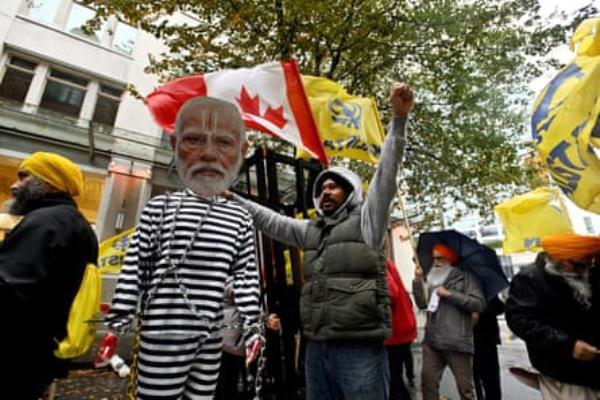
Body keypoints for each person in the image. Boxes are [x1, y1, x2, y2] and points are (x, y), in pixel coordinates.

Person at [229, 82, 414, 400]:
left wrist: (398, 119)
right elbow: (270, 220)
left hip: (359, 350)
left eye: (334, 187)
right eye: (322, 188)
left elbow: (386, 174)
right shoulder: (310, 230)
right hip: (316, 349)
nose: (326, 191)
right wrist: (228, 197)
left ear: (351, 193)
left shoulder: (368, 223)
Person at [103, 97, 261, 399]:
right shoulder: (159, 207)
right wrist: (118, 320)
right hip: (163, 333)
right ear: (175, 144)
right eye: (193, 140)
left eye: (224, 143)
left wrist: (253, 326)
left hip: (211, 336)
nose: (208, 154)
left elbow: (246, 276)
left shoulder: (239, 217)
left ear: (241, 152)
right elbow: (136, 265)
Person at [0, 152, 98, 399]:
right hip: (39, 356)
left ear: (49, 181)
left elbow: (9, 289)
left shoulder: (46, 222)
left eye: (24, 176)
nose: (15, 185)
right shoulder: (78, 226)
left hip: (14, 353)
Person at [505, 233, 600, 399]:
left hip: (593, 365)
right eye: (576, 264)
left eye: (586, 264)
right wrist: (569, 345)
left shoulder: (586, 272)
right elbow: (521, 321)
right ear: (556, 257)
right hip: (561, 370)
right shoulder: (529, 279)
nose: (582, 270)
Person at [412, 243, 486, 400]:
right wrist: (418, 281)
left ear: (450, 259)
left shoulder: (466, 278)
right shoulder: (432, 279)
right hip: (432, 341)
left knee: (465, 389)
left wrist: (450, 294)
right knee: (428, 383)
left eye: (440, 258)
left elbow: (478, 304)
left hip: (457, 342)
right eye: (434, 259)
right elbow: (422, 304)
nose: (435, 262)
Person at [385, 259, 417, 400]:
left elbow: (391, 293)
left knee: (393, 379)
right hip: (401, 327)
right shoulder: (386, 261)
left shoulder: (378, 262)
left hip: (395, 330)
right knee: (395, 377)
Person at [472, 295, 504, 400]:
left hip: (487, 341)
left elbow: (500, 308)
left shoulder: (486, 291)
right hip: (469, 340)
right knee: (474, 378)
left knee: (491, 380)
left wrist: (480, 309)